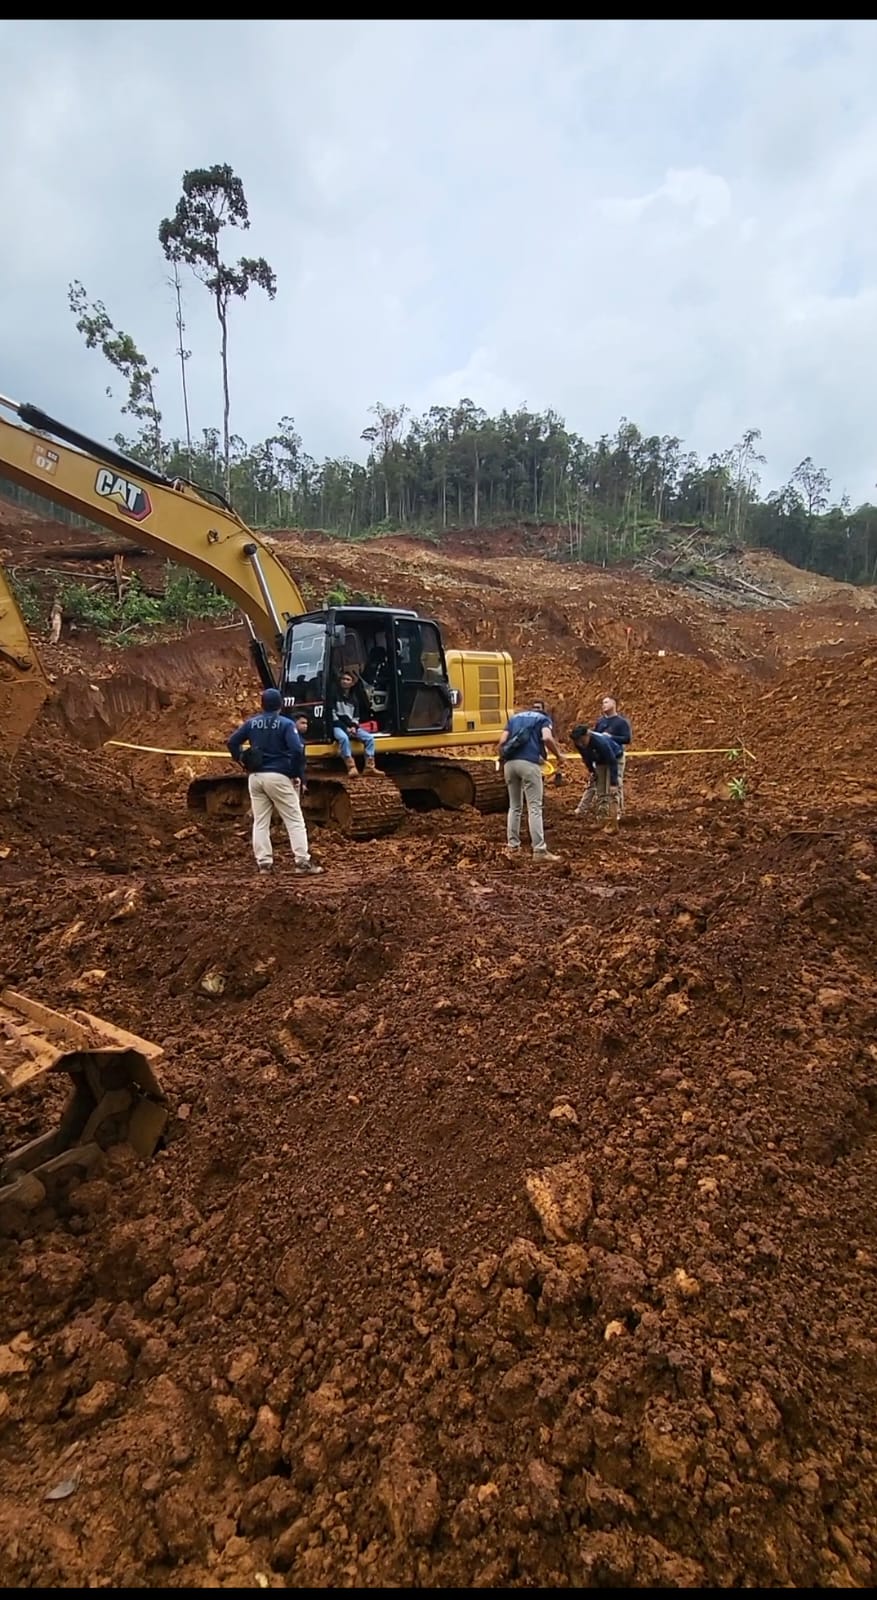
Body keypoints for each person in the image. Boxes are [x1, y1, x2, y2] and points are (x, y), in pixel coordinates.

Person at [227, 687, 324, 876]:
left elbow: (232, 742)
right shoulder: (286, 724)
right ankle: (302, 862)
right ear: (280, 705)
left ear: (262, 704)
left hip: (255, 777)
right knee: (294, 819)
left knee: (261, 821)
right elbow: (297, 750)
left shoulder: (252, 723)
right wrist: (296, 773)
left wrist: (241, 758)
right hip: (279, 775)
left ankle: (264, 864)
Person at [498, 701, 562, 863]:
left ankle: (513, 846)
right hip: (529, 765)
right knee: (534, 807)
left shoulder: (514, 719)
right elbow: (547, 738)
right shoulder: (543, 719)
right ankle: (539, 849)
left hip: (510, 764)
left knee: (514, 807)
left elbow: (501, 742)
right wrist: (559, 755)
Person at [570, 723, 623, 823]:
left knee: (614, 788)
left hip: (615, 757)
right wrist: (592, 771)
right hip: (600, 760)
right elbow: (586, 758)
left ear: (587, 735)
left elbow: (612, 761)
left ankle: (616, 815)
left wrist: (613, 782)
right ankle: (602, 816)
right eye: (578, 742)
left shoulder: (600, 742)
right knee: (600, 788)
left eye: (582, 740)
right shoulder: (579, 744)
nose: (581, 744)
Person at [332, 669, 378, 777]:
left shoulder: (354, 699)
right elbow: (333, 716)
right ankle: (351, 767)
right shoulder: (334, 696)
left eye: (348, 679)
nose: (345, 681)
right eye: (343, 679)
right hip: (337, 726)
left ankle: (369, 767)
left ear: (352, 683)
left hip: (350, 727)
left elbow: (356, 717)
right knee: (343, 738)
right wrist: (346, 728)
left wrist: (353, 727)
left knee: (369, 738)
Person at [594, 695, 632, 814]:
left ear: (614, 704)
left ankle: (616, 812)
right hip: (601, 758)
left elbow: (627, 739)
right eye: (602, 703)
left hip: (616, 756)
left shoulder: (621, 722)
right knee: (600, 787)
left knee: (615, 784)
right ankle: (602, 812)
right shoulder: (600, 721)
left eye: (606, 702)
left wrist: (611, 737)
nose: (603, 705)